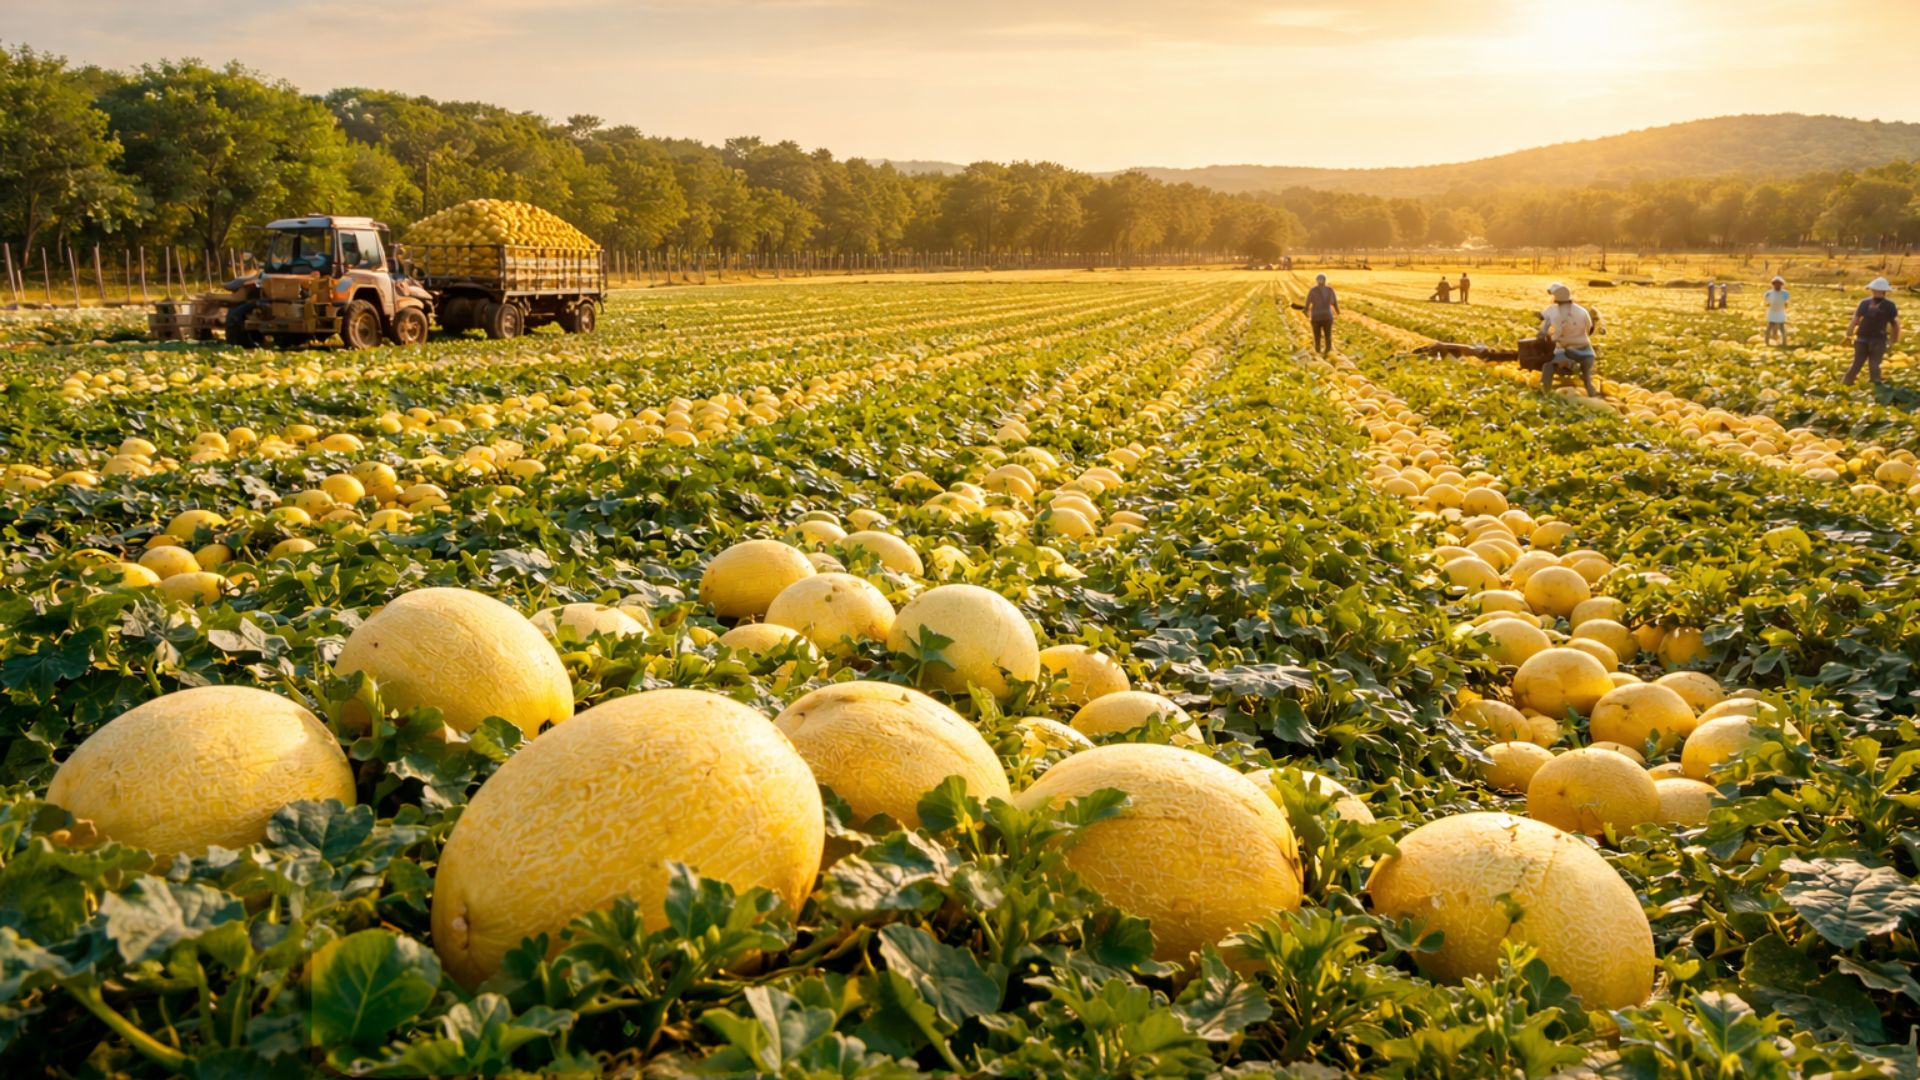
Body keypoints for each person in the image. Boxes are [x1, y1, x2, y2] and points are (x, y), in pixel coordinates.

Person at [1538, 284, 1602, 397]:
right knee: (1587, 378)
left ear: (1555, 298)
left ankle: (1544, 394)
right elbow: (1590, 328)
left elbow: (1543, 330)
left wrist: (1545, 335)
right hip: (1587, 353)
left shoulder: (1552, 310)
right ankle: (1591, 390)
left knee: (1547, 365)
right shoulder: (1582, 311)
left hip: (1566, 352)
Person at [1845, 277, 1902, 385]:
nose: (1875, 292)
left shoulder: (1885, 305)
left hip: (1873, 339)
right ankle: (1873, 389)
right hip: (1868, 339)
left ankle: (1849, 385)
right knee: (1866, 365)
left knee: (1866, 365)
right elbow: (1856, 319)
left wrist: (1893, 340)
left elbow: (1895, 325)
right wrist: (1849, 332)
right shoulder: (1869, 303)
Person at [1306, 274, 1339, 353]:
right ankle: (1327, 351)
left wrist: (1305, 310)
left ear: (1317, 281)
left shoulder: (1313, 290)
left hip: (1316, 317)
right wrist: (1338, 311)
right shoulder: (1330, 290)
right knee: (1328, 335)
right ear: (1325, 281)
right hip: (1327, 317)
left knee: (1317, 336)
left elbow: (1308, 302)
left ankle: (1318, 350)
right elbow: (1334, 303)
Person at [1763, 276, 1790, 345]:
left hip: (1780, 312)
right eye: (1775, 284)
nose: (1777, 285)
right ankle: (1767, 342)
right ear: (1773, 284)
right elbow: (1766, 303)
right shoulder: (1768, 293)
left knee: (1782, 328)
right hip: (1772, 312)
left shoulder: (1785, 293)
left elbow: (1786, 303)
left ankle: (1784, 342)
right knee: (1769, 327)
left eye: (1779, 284)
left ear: (1781, 285)